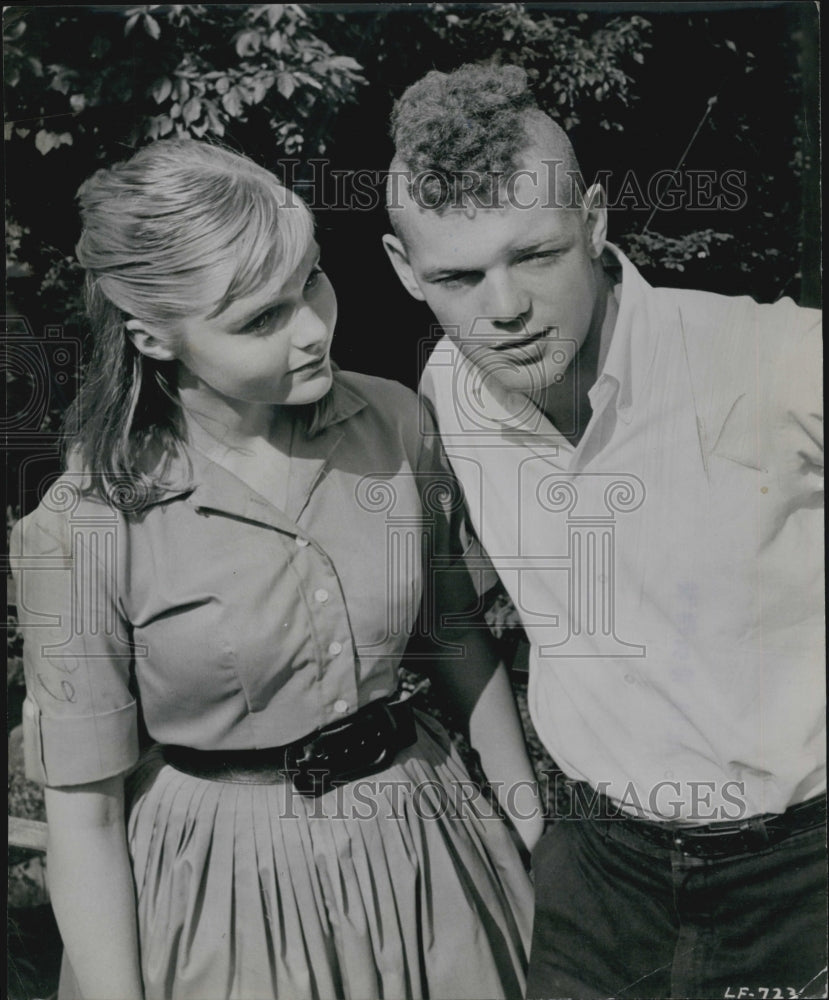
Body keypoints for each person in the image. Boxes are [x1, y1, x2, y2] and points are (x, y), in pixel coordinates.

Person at [9, 137, 542, 1000]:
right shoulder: (84, 527)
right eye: (260, 319)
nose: (312, 330)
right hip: (221, 901)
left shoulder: (397, 424)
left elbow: (456, 640)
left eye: (312, 281)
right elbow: (86, 817)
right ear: (153, 337)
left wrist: (533, 829)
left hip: (428, 854)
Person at [382, 63, 826, 999]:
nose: (504, 308)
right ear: (403, 270)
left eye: (535, 255)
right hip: (595, 870)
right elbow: (449, 607)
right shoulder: (446, 391)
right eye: (458, 276)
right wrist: (534, 826)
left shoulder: (777, 359)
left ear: (592, 221)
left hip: (800, 873)